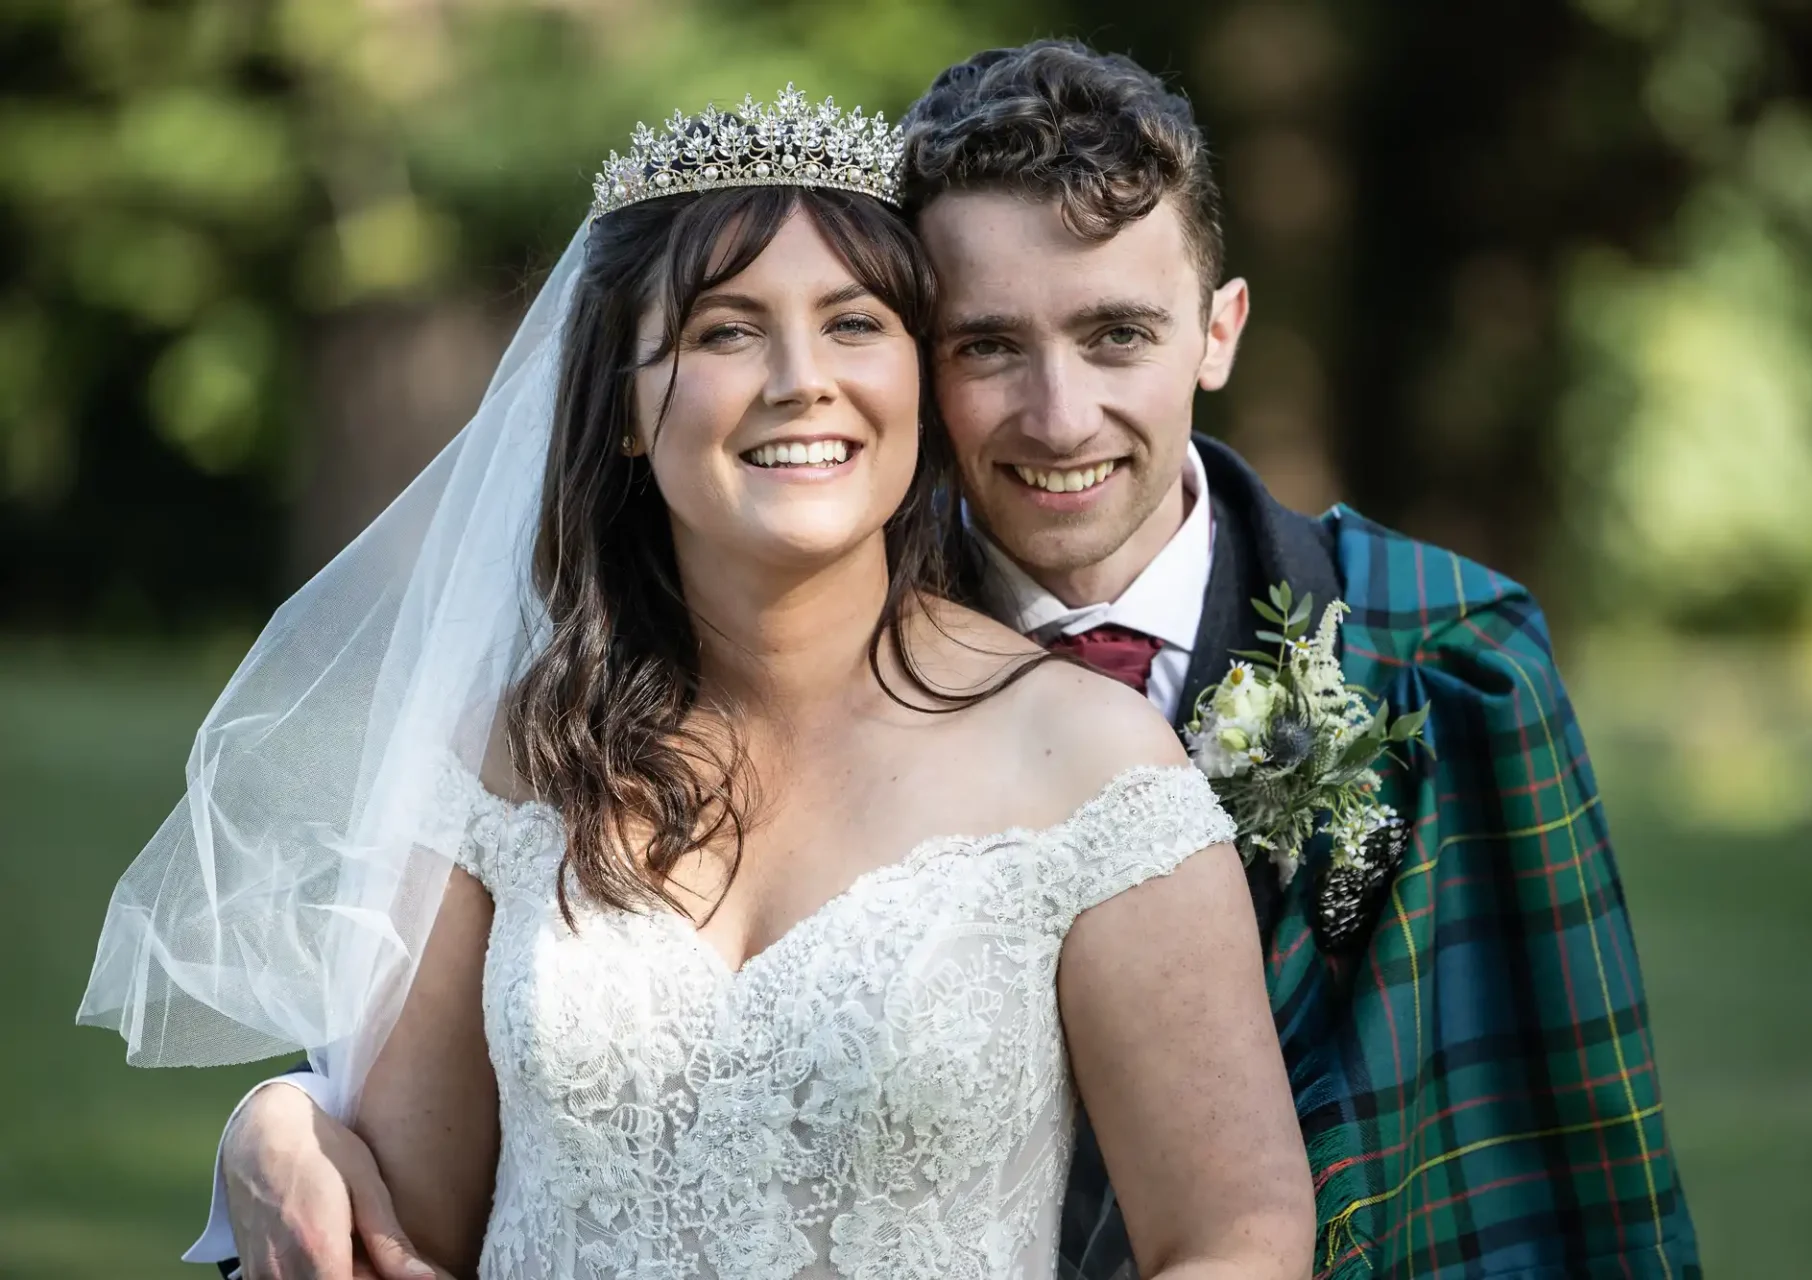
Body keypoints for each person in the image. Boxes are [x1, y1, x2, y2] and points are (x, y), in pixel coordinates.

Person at [155, 39, 1701, 1280]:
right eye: (984, 345)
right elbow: (410, 1163)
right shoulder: (567, 721)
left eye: (1114, 336)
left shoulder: (1428, 662)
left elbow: (1552, 1138)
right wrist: (275, 1117)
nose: (1055, 417)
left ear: (1219, 330)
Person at [78, 87, 1314, 1278]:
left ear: (917, 389)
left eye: (853, 322)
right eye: (727, 329)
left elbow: (1239, 1238)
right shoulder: (506, 764)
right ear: (624, 407)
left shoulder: (1091, 766)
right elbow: (409, 1229)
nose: (799, 378)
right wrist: (275, 1124)